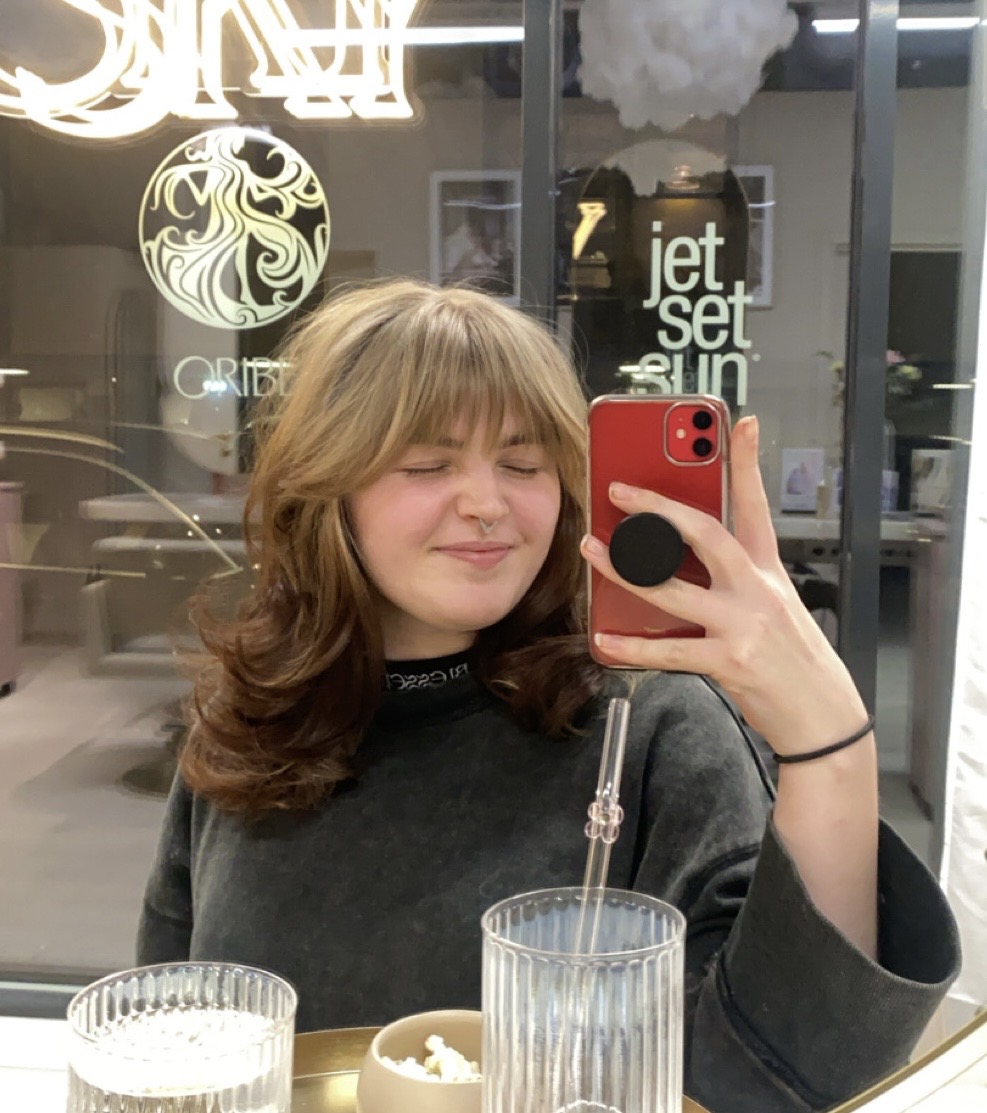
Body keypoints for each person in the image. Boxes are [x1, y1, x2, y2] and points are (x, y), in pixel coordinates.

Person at [138, 280, 960, 1113]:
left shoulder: (648, 724)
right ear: (326, 488)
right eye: (427, 464)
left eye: (523, 464)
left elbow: (783, 1078)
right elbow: (165, 1038)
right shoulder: (254, 714)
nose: (486, 504)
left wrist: (828, 742)